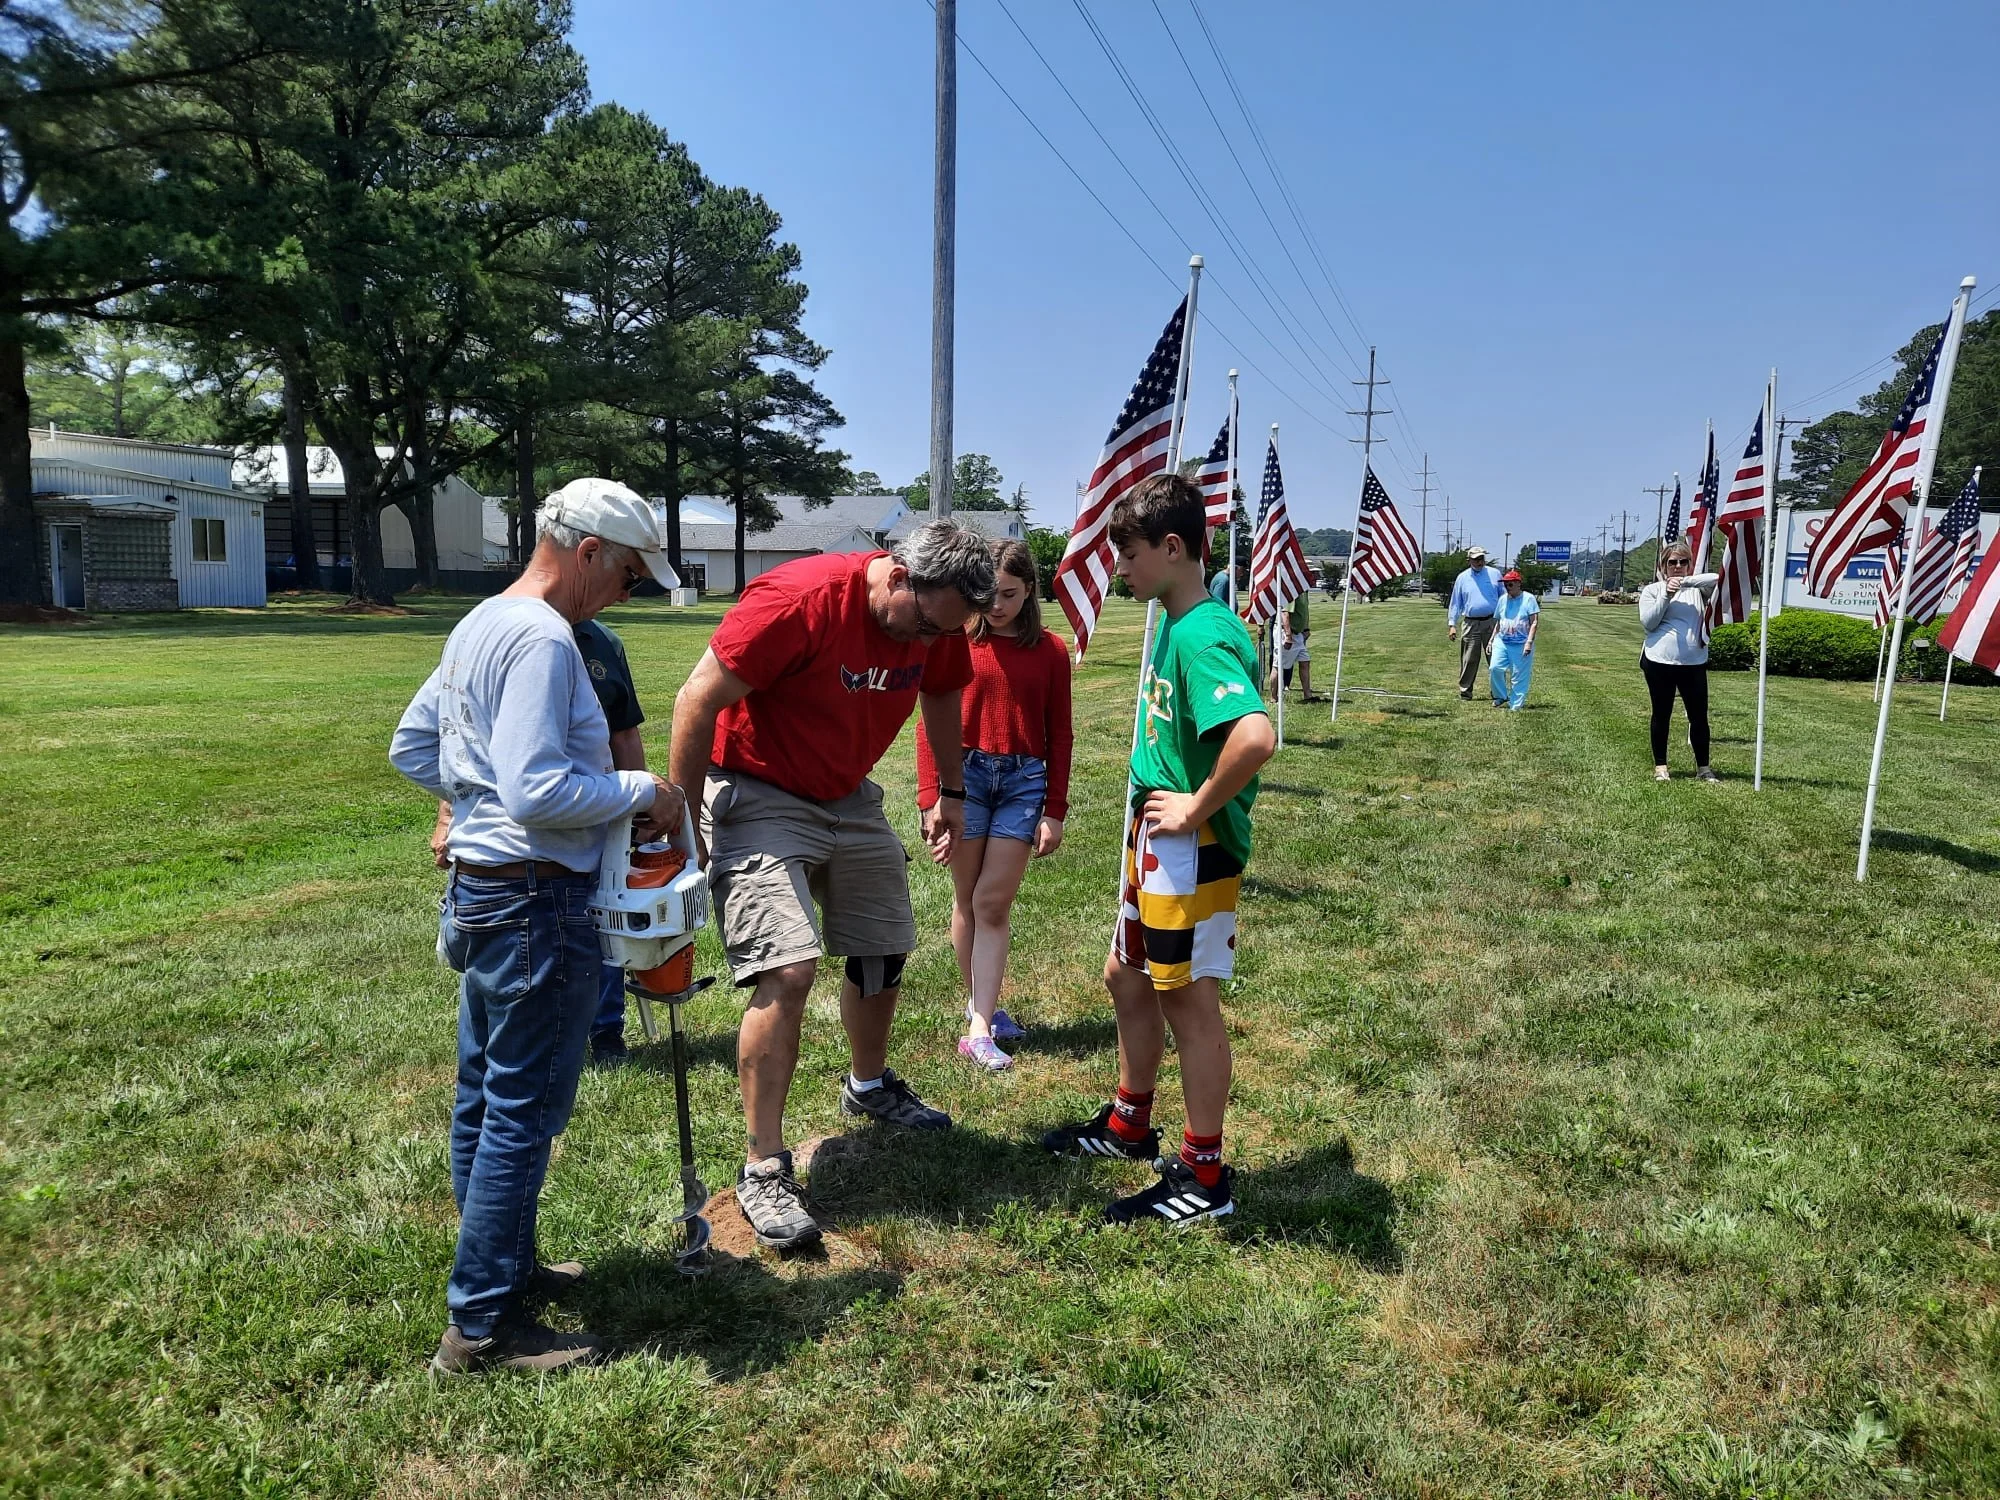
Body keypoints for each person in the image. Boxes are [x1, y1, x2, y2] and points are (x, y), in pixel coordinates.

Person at [390, 477, 685, 1375]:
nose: (625, 595)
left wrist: (473, 810)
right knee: (524, 1109)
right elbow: (538, 791)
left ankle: (503, 1271)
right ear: (589, 550)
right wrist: (644, 790)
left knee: (484, 1094)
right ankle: (481, 1326)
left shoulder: (479, 623)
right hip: (535, 899)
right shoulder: (545, 639)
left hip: (487, 890)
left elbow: (412, 746)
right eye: (629, 576)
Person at [666, 520, 995, 1251]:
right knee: (788, 967)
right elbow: (697, 700)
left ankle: (869, 1085)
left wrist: (950, 789)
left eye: (946, 634)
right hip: (757, 792)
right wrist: (684, 833)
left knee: (882, 948)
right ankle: (763, 1167)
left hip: (847, 794)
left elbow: (942, 694)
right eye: (924, 626)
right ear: (899, 575)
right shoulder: (800, 599)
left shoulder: (936, 631)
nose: (927, 645)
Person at [1041, 473, 1276, 1225]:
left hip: (1190, 849)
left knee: (1188, 999)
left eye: (1130, 553)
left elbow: (1255, 735)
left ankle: (1205, 1177)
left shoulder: (1203, 632)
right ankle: (1130, 1122)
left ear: (1173, 549)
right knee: (1127, 975)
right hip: (1159, 847)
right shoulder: (1176, 620)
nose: (1119, 568)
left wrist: (1197, 806)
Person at [430, 616, 648, 1067]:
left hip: (594, 813)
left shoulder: (604, 642)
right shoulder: (507, 633)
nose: (625, 595)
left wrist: (637, 814)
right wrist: (448, 813)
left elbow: (623, 731)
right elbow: (461, 741)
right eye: (626, 576)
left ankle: (606, 1032)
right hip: (520, 842)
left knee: (601, 921)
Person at [916, 540, 1074, 1070]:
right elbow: (928, 721)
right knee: (966, 899)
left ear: (1030, 589)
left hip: (1024, 782)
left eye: (1009, 594)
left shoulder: (1051, 651)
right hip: (965, 777)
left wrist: (1055, 808)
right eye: (990, 595)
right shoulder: (955, 639)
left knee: (992, 903)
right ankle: (983, 1011)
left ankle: (979, 1025)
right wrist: (928, 796)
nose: (997, 606)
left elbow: (1061, 734)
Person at [1638, 541, 1721, 781]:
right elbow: (1649, 623)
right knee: (1661, 713)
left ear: (1689, 565)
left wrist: (1686, 581)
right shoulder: (1652, 590)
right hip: (1659, 661)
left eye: (1683, 562)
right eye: (1672, 562)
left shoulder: (1697, 590)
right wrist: (1667, 593)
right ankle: (1661, 766)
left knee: (1699, 716)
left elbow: (1718, 579)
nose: (1677, 566)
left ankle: (1703, 768)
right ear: (1663, 565)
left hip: (1693, 662)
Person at [1447, 545, 1501, 701]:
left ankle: (1498, 692)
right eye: (1476, 559)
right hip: (1471, 624)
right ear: (1469, 560)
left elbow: (1503, 597)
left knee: (1495, 659)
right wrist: (1452, 625)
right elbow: (1456, 603)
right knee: (1469, 659)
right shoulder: (1462, 578)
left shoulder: (1495, 574)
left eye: (1482, 558)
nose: (1480, 561)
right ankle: (1465, 692)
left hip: (1492, 622)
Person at [1489, 569, 1540, 710]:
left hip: (1521, 643)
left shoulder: (1528, 599)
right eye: (1505, 584)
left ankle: (1515, 704)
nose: (1507, 587)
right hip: (1502, 641)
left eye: (1510, 584)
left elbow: (1534, 622)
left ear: (1518, 584)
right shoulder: (1502, 600)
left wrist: (1529, 642)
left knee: (1519, 674)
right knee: (1495, 668)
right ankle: (1501, 695)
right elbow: (1499, 622)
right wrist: (1491, 640)